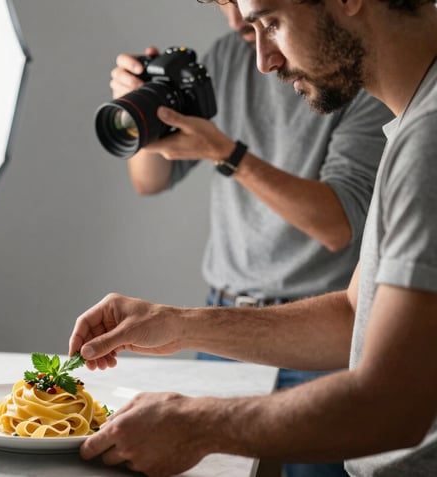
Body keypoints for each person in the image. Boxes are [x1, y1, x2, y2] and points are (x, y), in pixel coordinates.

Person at [70, 0, 437, 475]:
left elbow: (393, 405)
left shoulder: (427, 139)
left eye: (272, 22)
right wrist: (175, 323)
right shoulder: (412, 122)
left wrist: (197, 425)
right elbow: (354, 317)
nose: (264, 61)